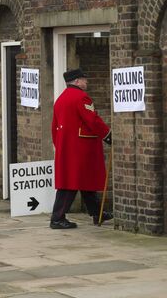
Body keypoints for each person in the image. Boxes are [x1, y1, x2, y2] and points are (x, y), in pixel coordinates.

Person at [50, 68, 113, 229]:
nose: (86, 82)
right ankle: (57, 218)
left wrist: (60, 146)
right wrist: (108, 135)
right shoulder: (82, 97)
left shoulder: (60, 99)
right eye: (84, 79)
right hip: (81, 148)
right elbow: (93, 120)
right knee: (71, 183)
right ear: (77, 81)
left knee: (85, 182)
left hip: (67, 147)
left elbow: (54, 127)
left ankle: (97, 213)